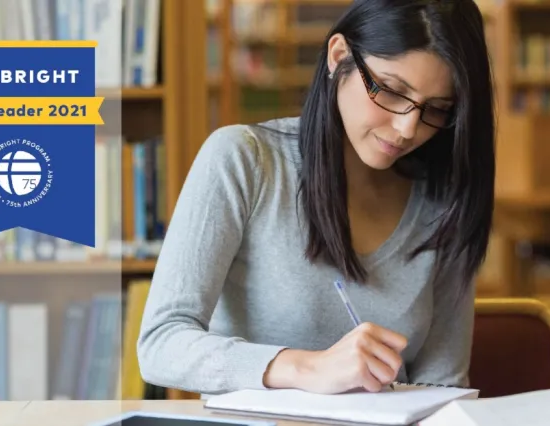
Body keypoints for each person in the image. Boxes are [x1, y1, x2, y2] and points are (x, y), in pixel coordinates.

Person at [137, 0, 495, 397]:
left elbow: (442, 388)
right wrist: (306, 367)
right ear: (339, 55)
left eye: (437, 108)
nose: (407, 128)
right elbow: (161, 344)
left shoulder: (445, 200)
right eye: (391, 91)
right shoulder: (244, 161)